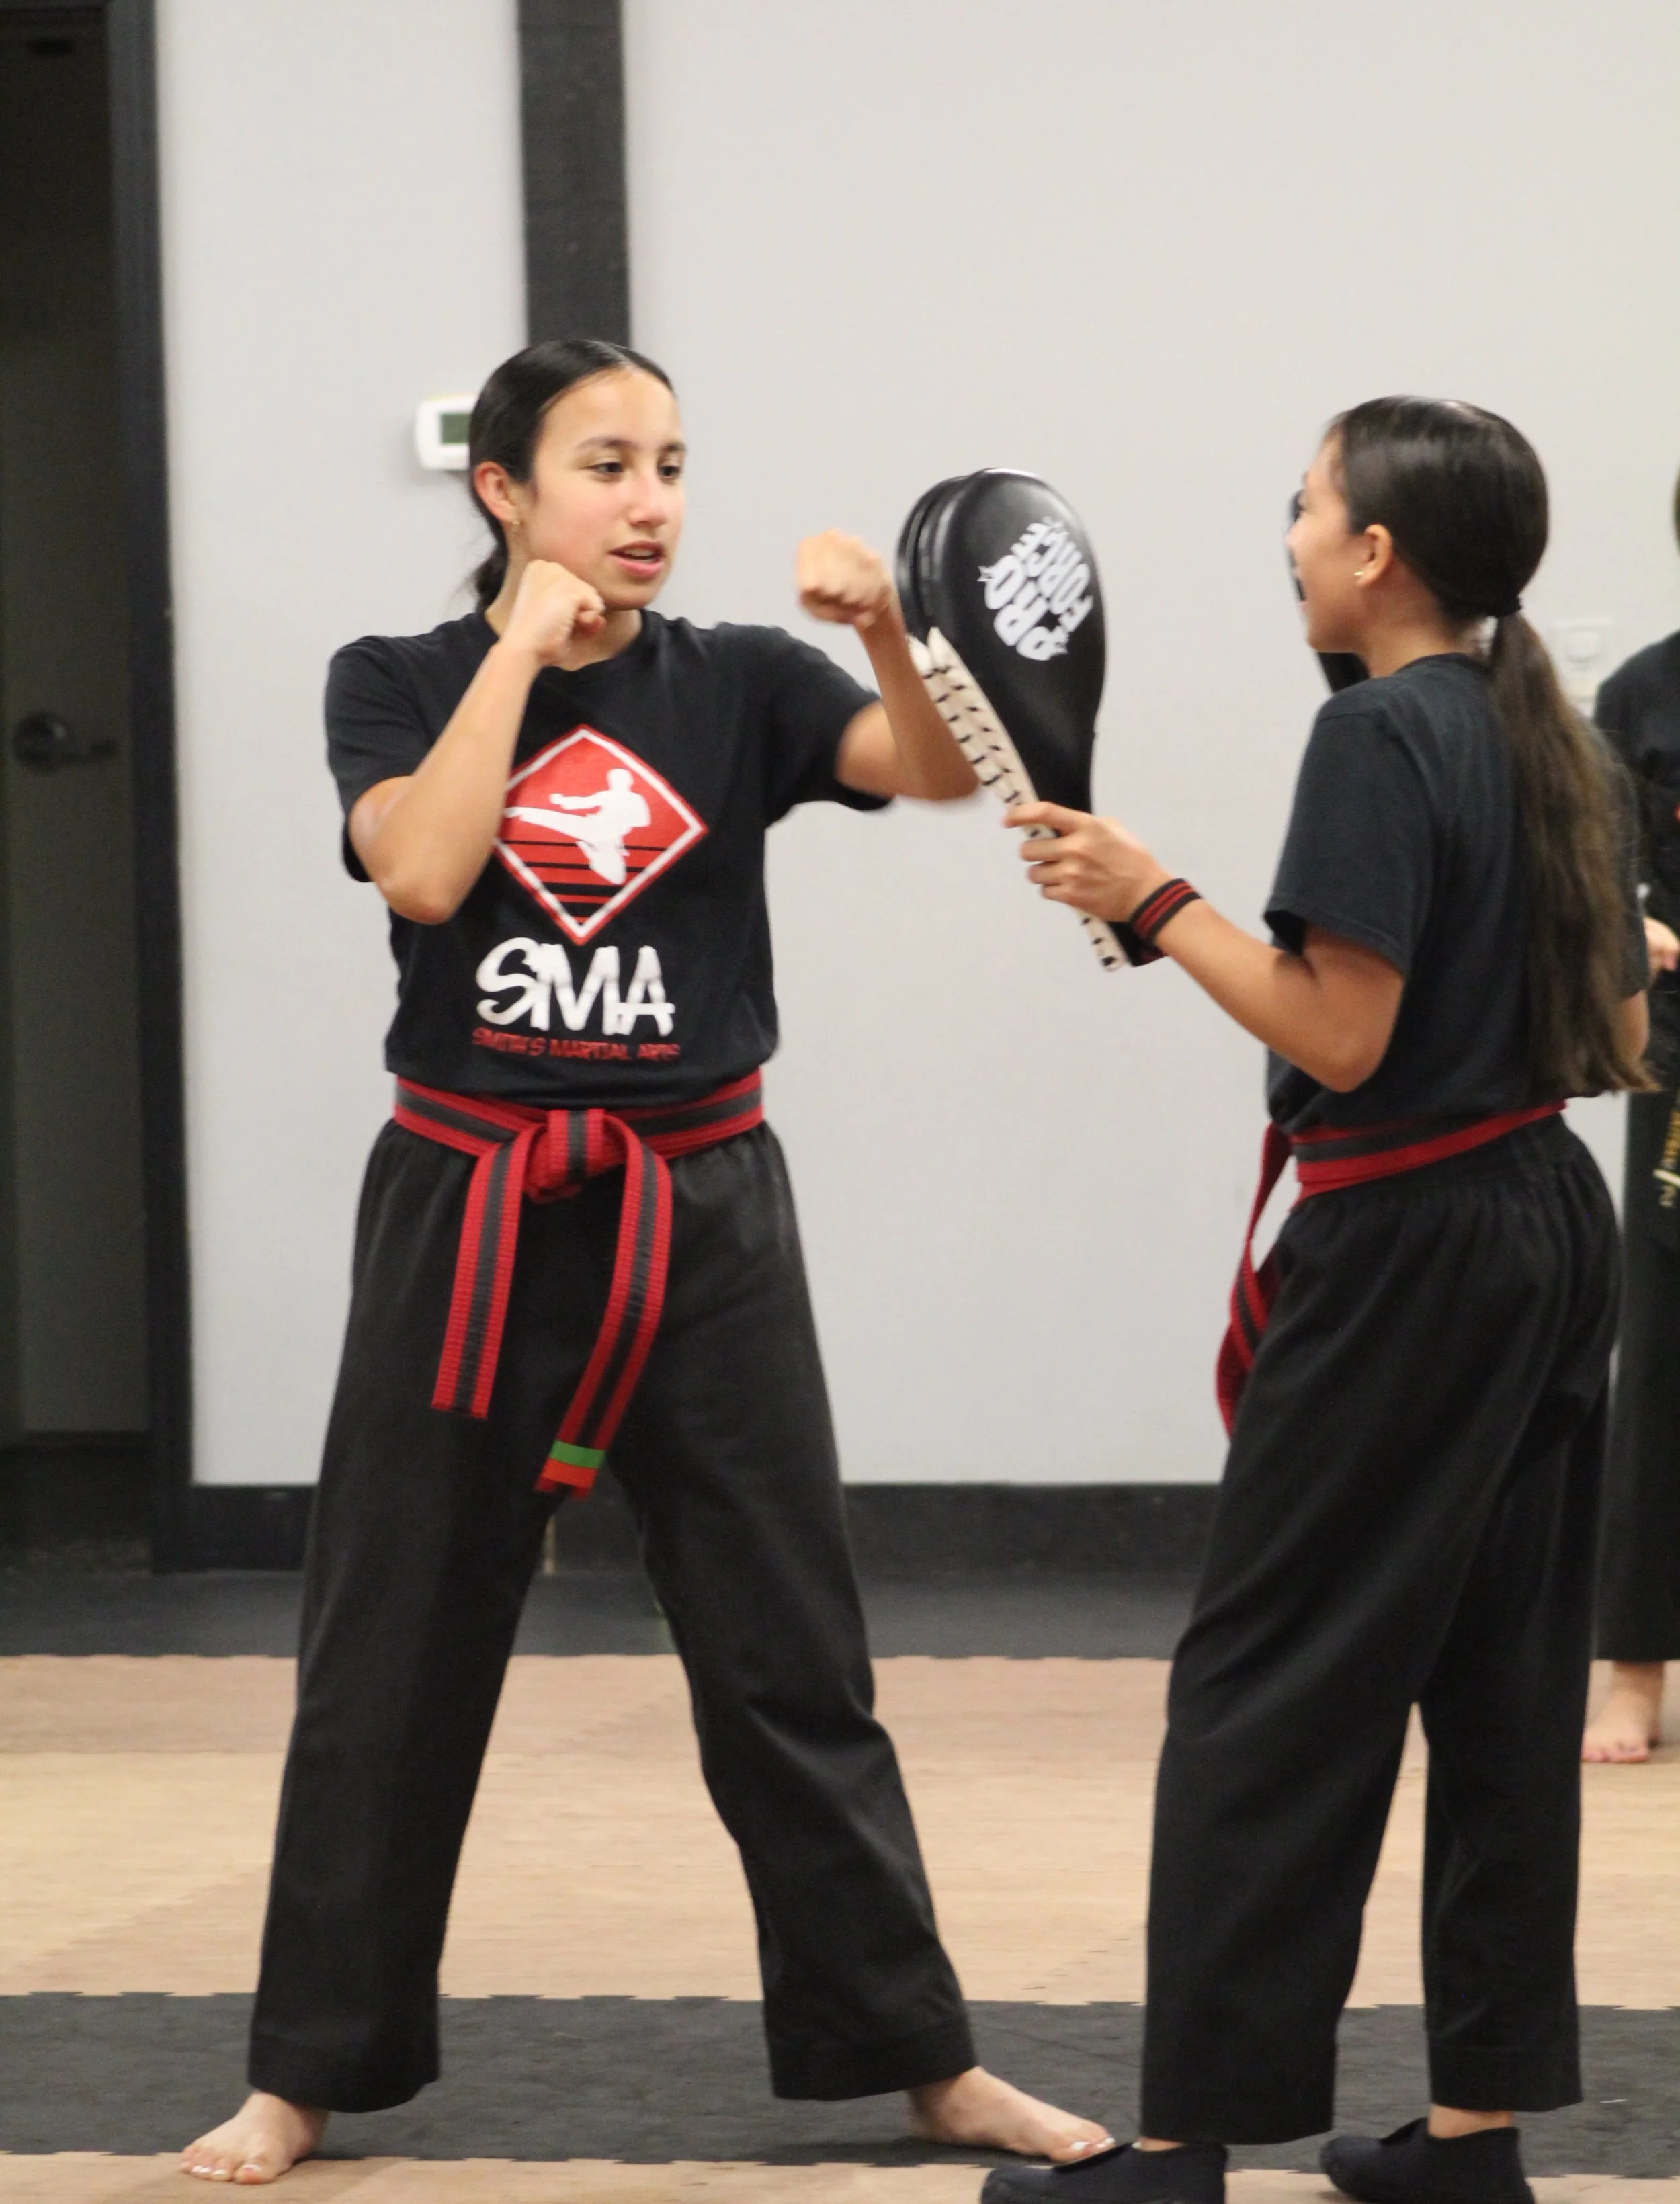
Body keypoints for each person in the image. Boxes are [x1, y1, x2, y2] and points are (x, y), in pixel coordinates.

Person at [181, 338, 1109, 2184]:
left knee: (789, 1644)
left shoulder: (740, 682)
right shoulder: (396, 678)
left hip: (700, 1204)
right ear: (502, 490)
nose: (654, 502)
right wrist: (517, 654)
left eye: (674, 464)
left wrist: (883, 628)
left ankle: (921, 2057)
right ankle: (302, 2070)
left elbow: (923, 769)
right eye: (606, 464)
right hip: (472, 1200)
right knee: (389, 1648)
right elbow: (427, 872)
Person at [982, 398, 1648, 2204]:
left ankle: (1183, 2146)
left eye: (1303, 506)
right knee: (1498, 1683)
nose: (1284, 533)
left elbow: (1336, 1031)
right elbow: (1625, 1021)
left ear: (1375, 555)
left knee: (1264, 1688)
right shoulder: (1549, 734)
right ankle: (1470, 2135)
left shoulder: (1372, 733)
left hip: (1410, 1250)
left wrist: (1154, 890)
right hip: (1540, 1222)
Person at [1582, 470, 1680, 1763]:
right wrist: (1636, 927)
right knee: (1659, 1357)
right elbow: (1600, 873)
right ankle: (1638, 1665)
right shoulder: (1642, 697)